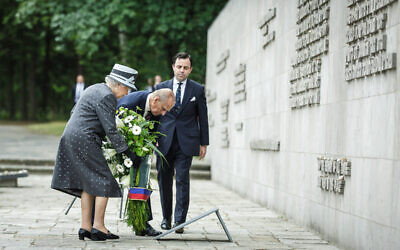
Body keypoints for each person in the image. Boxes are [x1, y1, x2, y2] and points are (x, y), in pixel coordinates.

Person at [51, 64, 139, 241]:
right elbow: (110, 129)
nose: (128, 93)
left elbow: (74, 111)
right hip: (85, 139)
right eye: (128, 88)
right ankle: (98, 227)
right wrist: (127, 152)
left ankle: (85, 227)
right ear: (119, 85)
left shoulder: (94, 88)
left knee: (88, 182)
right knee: (104, 180)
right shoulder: (108, 96)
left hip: (70, 136)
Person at [155, 52, 209, 233]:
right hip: (164, 142)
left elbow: (203, 117)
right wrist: (153, 138)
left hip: (187, 142)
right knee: (164, 181)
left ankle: (180, 221)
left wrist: (204, 143)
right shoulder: (160, 87)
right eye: (179, 67)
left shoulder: (197, 90)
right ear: (173, 67)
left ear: (190, 69)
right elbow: (154, 115)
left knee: (182, 180)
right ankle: (166, 218)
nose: (181, 70)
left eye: (185, 68)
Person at [117, 88, 175, 236]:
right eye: (163, 109)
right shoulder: (129, 103)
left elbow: (152, 132)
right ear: (155, 100)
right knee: (103, 184)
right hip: (115, 147)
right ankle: (94, 223)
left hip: (137, 149)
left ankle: (142, 223)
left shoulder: (157, 110)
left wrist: (145, 149)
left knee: (142, 178)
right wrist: (128, 153)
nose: (164, 114)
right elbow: (112, 129)